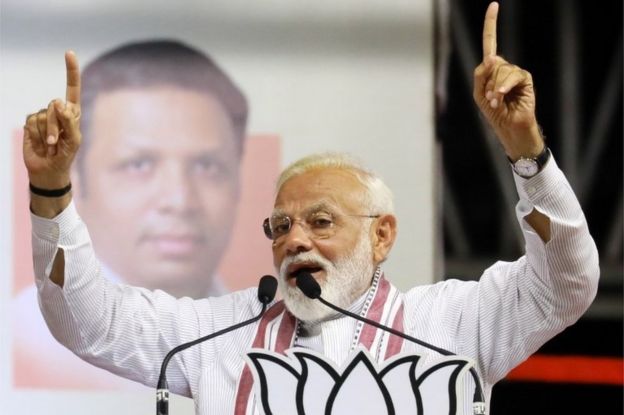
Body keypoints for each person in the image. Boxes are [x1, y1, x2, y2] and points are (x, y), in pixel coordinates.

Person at [23, 2, 599, 412]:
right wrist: (51, 190)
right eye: (280, 227)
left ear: (383, 236)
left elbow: (565, 282)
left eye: (321, 222)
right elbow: (86, 320)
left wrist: (525, 148)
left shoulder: (451, 324)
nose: (295, 240)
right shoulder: (218, 335)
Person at [13, 40, 249, 389]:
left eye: (207, 166)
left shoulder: (266, 329)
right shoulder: (22, 338)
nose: (180, 200)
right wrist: (50, 187)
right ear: (77, 178)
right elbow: (85, 322)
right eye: (139, 164)